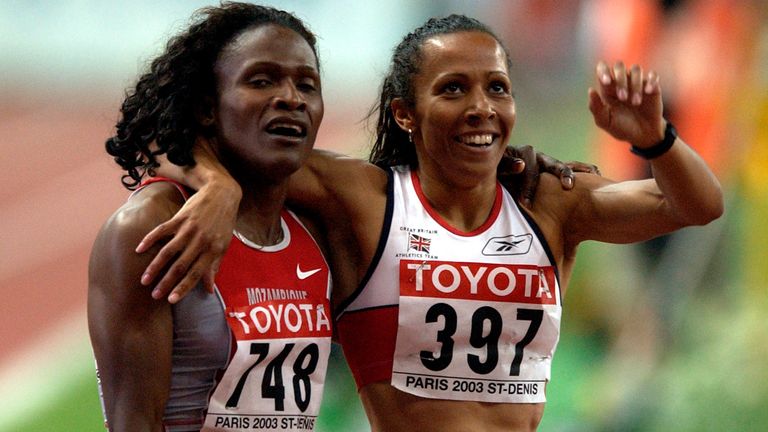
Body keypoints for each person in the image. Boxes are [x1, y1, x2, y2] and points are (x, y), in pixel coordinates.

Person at [136, 14, 723, 432]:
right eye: (453, 89)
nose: (481, 107)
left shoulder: (549, 200)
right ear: (404, 114)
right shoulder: (364, 199)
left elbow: (697, 206)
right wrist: (218, 183)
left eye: (497, 88)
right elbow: (180, 129)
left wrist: (655, 138)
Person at [88, 4, 334, 431]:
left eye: (307, 85)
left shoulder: (320, 223)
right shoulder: (152, 227)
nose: (291, 98)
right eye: (261, 81)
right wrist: (220, 186)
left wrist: (222, 186)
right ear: (206, 107)